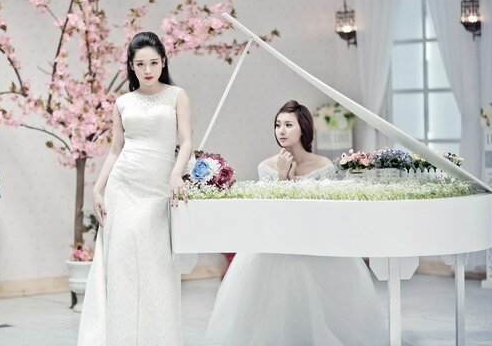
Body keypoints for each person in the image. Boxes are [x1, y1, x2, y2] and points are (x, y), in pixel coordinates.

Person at [204, 100, 387, 346]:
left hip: (315, 238)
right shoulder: (267, 166)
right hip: (277, 239)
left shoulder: (323, 166)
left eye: (288, 125)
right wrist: (282, 177)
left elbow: (322, 212)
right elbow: (275, 213)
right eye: (278, 125)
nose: (281, 130)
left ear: (303, 128)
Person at [77, 32, 192, 346]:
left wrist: (176, 175)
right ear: (131, 66)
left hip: (158, 189)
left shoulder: (177, 95)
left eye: (154, 62)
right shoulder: (123, 102)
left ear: (163, 62)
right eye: (140, 63)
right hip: (123, 187)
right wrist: (97, 190)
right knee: (122, 265)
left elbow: (186, 141)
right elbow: (115, 150)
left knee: (156, 266)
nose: (148, 69)